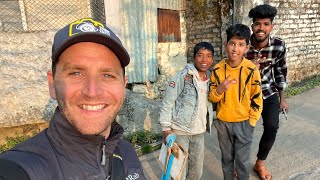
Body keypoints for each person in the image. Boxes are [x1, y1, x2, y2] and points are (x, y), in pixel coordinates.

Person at [0, 18, 146, 180]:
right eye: (76, 73)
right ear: (52, 84)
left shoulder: (126, 153)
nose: (92, 92)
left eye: (107, 75)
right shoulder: (18, 169)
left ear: (123, 86)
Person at [208, 24, 263, 180]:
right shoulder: (218, 70)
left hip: (244, 123)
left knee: (243, 161)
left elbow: (257, 98)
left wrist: (252, 121)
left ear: (246, 47)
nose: (235, 49)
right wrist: (220, 89)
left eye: (240, 44)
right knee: (227, 160)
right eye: (232, 43)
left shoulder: (251, 70)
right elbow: (211, 98)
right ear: (226, 45)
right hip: (223, 123)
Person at [159, 42, 215, 180]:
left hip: (199, 132)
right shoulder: (182, 77)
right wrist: (166, 129)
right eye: (200, 55)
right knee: (178, 173)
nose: (204, 60)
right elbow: (168, 102)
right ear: (194, 58)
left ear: (212, 59)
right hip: (180, 132)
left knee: (196, 173)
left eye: (208, 56)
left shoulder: (211, 79)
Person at [245, 4, 289, 180]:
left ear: (271, 26)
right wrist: (250, 68)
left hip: (268, 91)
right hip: (246, 95)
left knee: (272, 126)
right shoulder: (242, 45)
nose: (261, 28)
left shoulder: (278, 46)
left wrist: (282, 98)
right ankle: (240, 163)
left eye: (265, 24)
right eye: (257, 24)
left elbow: (280, 71)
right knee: (243, 132)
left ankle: (259, 163)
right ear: (252, 26)